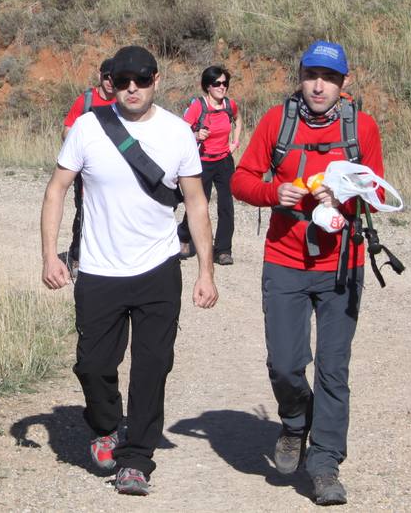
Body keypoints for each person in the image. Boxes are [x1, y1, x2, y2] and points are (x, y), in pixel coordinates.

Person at [41, 45, 218, 497]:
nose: (132, 88)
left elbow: (196, 202)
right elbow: (57, 190)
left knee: (152, 366)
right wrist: (49, 255)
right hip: (99, 270)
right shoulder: (87, 127)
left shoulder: (178, 132)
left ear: (156, 80)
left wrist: (206, 270)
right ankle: (106, 425)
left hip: (158, 269)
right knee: (93, 364)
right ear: (111, 84)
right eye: (123, 81)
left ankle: (136, 459)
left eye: (141, 79)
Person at [230, 41, 385, 506]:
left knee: (333, 370)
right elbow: (241, 180)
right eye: (312, 75)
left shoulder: (362, 128)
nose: (320, 86)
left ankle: (324, 465)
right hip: (285, 260)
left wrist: (343, 198)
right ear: (300, 77)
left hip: (343, 263)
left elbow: (377, 190)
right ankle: (295, 422)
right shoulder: (278, 123)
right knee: (285, 364)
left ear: (345, 82)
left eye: (330, 78)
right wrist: (275, 192)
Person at [177, 65, 243, 265]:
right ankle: (186, 236)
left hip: (224, 161)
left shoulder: (230, 105)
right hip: (202, 162)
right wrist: (196, 135)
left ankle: (223, 250)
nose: (222, 87)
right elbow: (181, 129)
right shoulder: (198, 106)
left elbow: (238, 120)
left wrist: (235, 143)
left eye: (225, 83)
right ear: (207, 86)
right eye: (217, 83)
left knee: (226, 206)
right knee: (198, 204)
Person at [59, 57, 117, 276]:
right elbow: (67, 130)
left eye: (115, 77)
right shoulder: (86, 100)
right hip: (86, 170)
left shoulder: (123, 101)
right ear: (99, 75)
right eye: (106, 76)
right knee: (83, 213)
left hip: (114, 169)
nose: (110, 81)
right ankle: (77, 256)